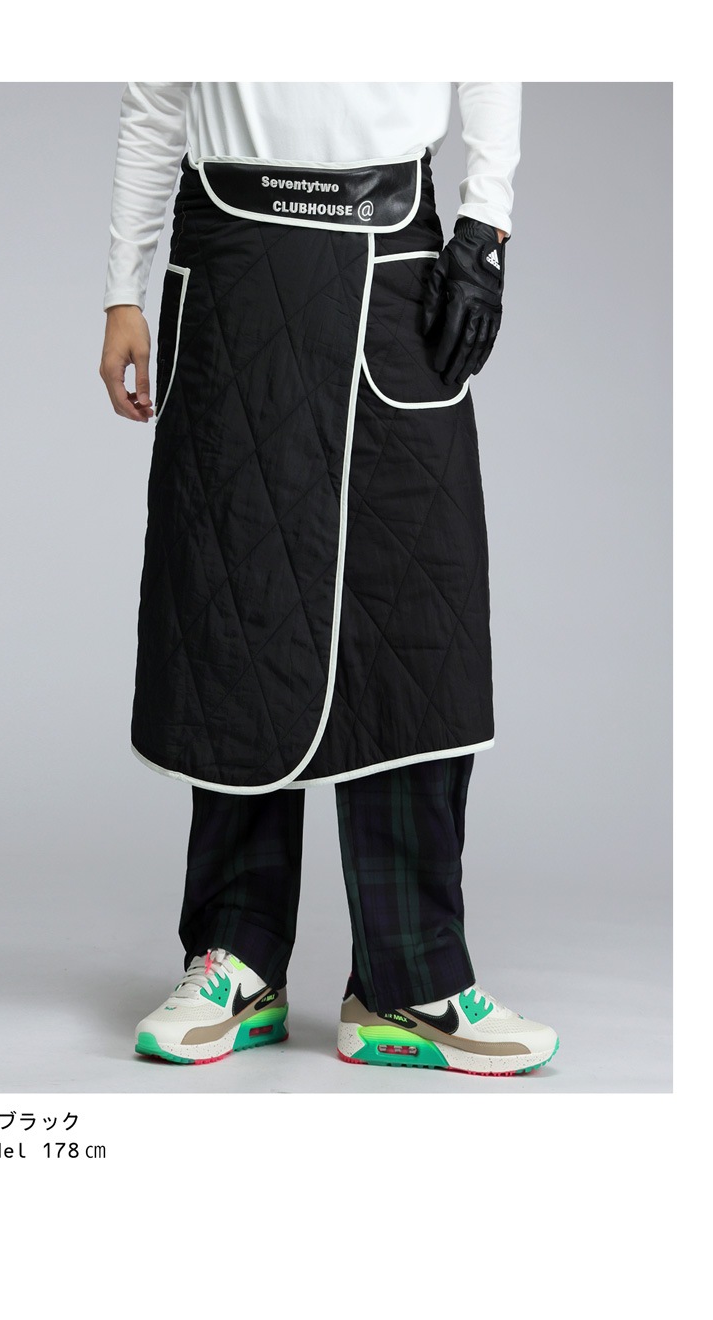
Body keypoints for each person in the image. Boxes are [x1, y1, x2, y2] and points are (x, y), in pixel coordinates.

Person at [99, 82, 559, 1075]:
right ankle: (235, 959)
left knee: (412, 616)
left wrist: (486, 224)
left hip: (393, 257)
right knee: (236, 610)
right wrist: (123, 288)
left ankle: (410, 981)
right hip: (231, 258)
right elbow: (155, 96)